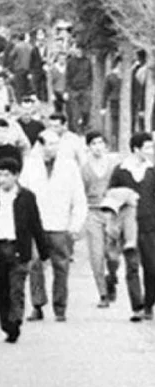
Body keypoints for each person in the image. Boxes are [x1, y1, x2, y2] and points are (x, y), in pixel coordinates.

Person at [0, 157, 50, 343]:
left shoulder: (27, 197)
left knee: (16, 288)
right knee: (1, 290)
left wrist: (44, 253)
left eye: (6, 175)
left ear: (16, 176)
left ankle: (15, 319)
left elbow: (35, 224)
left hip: (18, 248)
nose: (2, 179)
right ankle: (6, 324)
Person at [19, 129, 86, 322]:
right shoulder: (30, 165)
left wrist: (75, 224)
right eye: (48, 144)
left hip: (60, 224)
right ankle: (37, 304)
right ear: (40, 146)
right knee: (35, 264)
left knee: (61, 266)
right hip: (36, 225)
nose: (52, 148)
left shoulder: (69, 166)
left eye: (55, 144)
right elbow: (22, 195)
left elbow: (78, 197)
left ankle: (60, 307)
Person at [108, 133, 155, 322]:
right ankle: (137, 307)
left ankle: (149, 303)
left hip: (150, 226)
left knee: (151, 268)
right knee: (132, 267)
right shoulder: (121, 171)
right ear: (136, 149)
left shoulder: (152, 171)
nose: (151, 151)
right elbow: (110, 195)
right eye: (147, 148)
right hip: (128, 227)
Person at [80, 131, 118, 308]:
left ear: (106, 145)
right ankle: (103, 294)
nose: (97, 147)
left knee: (112, 254)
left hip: (111, 213)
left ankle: (112, 276)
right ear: (88, 147)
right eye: (93, 143)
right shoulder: (84, 169)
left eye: (100, 143)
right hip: (93, 212)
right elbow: (80, 193)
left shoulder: (114, 165)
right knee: (96, 256)